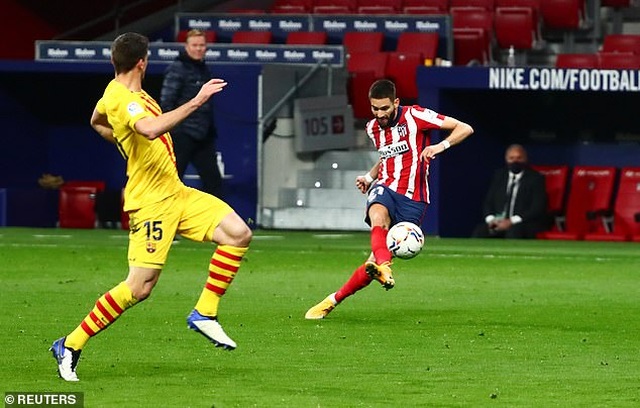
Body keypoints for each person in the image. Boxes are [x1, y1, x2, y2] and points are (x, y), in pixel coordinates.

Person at [49, 32, 252, 382]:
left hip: (177, 193)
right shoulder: (124, 99)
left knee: (238, 233)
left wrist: (119, 140)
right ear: (142, 61)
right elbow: (149, 129)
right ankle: (70, 343)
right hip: (151, 205)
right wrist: (197, 100)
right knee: (139, 288)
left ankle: (205, 312)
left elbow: (96, 120)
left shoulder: (122, 96)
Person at [305, 79, 474, 320]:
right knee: (378, 217)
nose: (380, 114)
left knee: (371, 263)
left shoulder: (416, 115)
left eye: (384, 108)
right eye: (375, 108)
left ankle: (333, 300)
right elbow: (387, 156)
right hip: (385, 186)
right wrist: (369, 176)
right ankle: (384, 266)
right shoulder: (372, 128)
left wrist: (440, 146)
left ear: (395, 102)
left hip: (414, 198)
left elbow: (465, 127)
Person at [160, 29, 222, 197]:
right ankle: (164, 220)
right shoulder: (177, 68)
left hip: (203, 135)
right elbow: (166, 103)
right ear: (186, 46)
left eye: (202, 45)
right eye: (194, 45)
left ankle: (214, 223)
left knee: (214, 184)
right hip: (181, 135)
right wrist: (173, 130)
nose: (198, 49)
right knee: (172, 181)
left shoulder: (204, 69)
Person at [471, 144, 548, 239]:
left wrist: (511, 221)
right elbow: (488, 202)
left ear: (525, 159)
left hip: (523, 223)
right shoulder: (499, 176)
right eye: (511, 158)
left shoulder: (535, 178)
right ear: (506, 159)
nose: (515, 161)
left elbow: (537, 208)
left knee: (514, 231)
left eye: (519, 158)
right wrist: (491, 220)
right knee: (481, 230)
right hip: (498, 221)